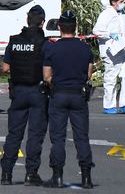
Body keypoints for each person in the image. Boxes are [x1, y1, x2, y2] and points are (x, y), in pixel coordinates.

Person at [43, 10, 94, 189]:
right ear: (75, 26)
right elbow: (88, 74)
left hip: (59, 94)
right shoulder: (85, 48)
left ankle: (57, 175)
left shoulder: (52, 48)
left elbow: (47, 76)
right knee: (82, 136)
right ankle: (86, 176)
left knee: (58, 137)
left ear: (59, 27)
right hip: (78, 94)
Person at [0, 5, 48, 186]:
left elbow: (5, 67)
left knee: (14, 134)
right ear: (42, 22)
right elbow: (48, 68)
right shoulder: (44, 43)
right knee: (35, 134)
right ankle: (31, 173)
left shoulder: (14, 40)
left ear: (27, 20)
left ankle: (6, 173)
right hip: (37, 91)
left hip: (18, 92)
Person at [93, 0, 125, 114]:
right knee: (111, 78)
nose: (123, 4)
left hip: (123, 49)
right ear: (113, 2)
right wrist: (110, 35)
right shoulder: (106, 14)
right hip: (110, 51)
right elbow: (96, 31)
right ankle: (109, 105)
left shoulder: (122, 13)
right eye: (121, 2)